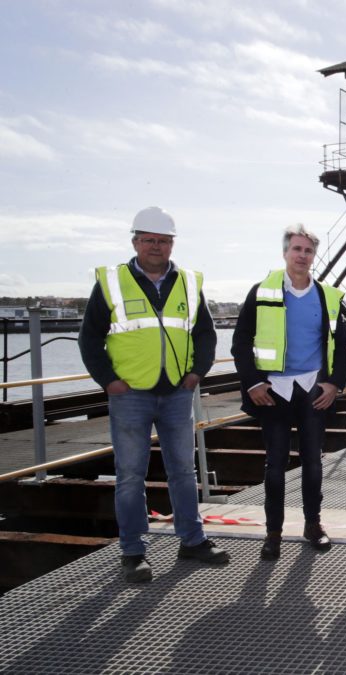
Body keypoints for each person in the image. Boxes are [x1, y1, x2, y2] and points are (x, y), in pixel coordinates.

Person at [78, 206, 229, 582]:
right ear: (135, 242)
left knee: (183, 470)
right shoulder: (113, 281)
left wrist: (197, 373)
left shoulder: (189, 282)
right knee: (130, 475)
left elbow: (204, 334)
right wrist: (108, 381)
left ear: (172, 244)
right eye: (149, 240)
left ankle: (192, 540)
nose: (156, 247)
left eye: (163, 241)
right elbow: (90, 337)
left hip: (178, 393)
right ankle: (133, 552)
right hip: (130, 394)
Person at [232, 224, 346, 560]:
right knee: (275, 465)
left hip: (314, 390)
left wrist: (334, 383)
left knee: (313, 462)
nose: (302, 256)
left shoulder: (328, 296)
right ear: (285, 253)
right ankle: (273, 533)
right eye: (296, 249)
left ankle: (313, 525)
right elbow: (241, 343)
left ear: (314, 256)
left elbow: (342, 346)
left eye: (308, 250)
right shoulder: (262, 291)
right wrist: (253, 382)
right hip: (275, 392)